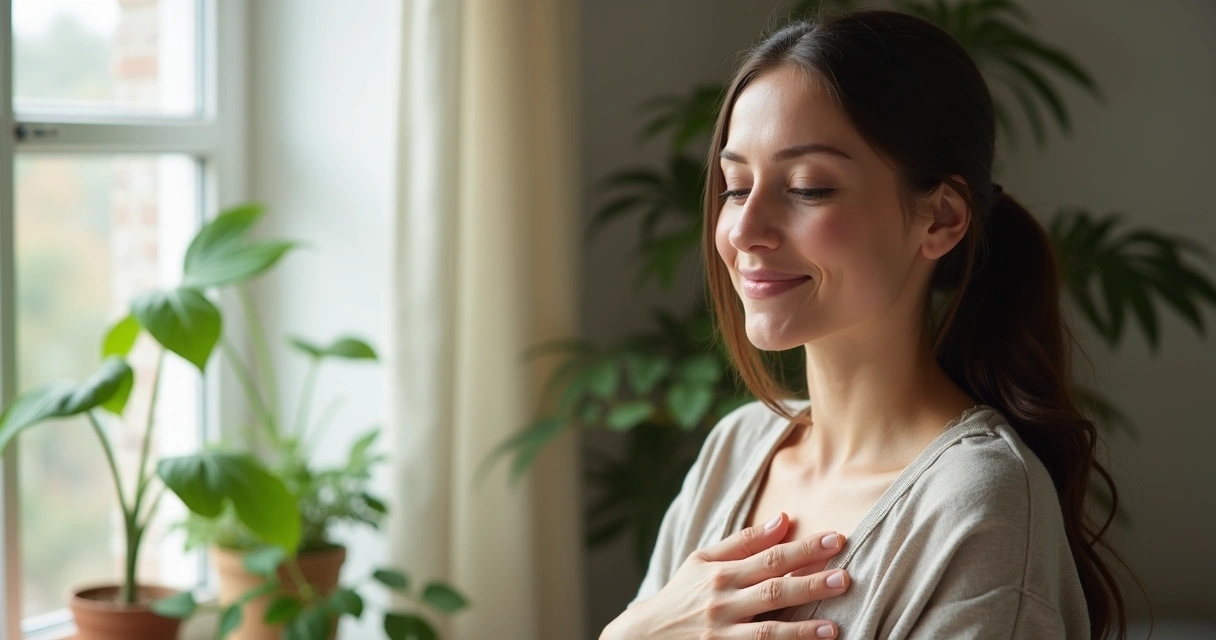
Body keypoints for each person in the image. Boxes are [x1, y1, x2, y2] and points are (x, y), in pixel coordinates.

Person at [599, 8, 1129, 640]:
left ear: (940, 219)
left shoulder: (977, 506)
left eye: (808, 188)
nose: (743, 229)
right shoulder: (737, 448)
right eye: (737, 186)